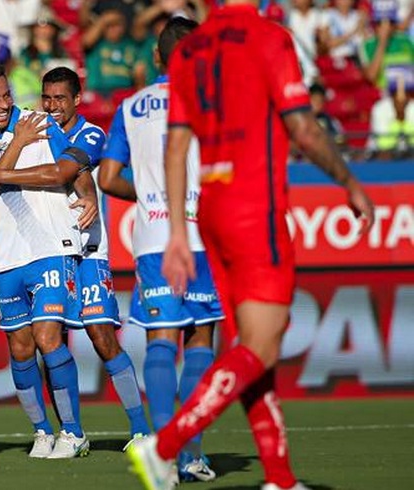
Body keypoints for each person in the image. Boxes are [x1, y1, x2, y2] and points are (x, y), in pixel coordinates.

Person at [125, 2, 375, 490]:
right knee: (262, 344)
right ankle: (167, 445)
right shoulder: (270, 37)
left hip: (211, 213)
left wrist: (179, 229)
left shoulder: (191, 50)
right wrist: (349, 180)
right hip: (254, 205)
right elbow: (302, 126)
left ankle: (280, 478)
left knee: (254, 349)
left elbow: (177, 146)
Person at [98, 19, 222, 483]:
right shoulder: (211, 101)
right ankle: (192, 454)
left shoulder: (130, 107)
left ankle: (161, 454)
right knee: (200, 345)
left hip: (153, 238)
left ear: (155, 57)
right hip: (202, 234)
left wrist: (152, 196)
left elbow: (108, 179)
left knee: (160, 342)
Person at [0, 61, 98, 459]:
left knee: (47, 338)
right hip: (7, 256)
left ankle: (73, 432)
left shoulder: (38, 121)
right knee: (20, 350)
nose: (3, 104)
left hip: (52, 246)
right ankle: (42, 431)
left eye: (6, 95)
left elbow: (72, 167)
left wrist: (87, 194)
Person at [41, 66, 151, 448]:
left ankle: (140, 429)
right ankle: (72, 432)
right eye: (47, 98)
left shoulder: (91, 134)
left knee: (102, 336)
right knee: (49, 340)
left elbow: (65, 170)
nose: (53, 106)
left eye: (60, 98)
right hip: (50, 253)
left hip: (88, 252)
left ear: (76, 99)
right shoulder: (36, 132)